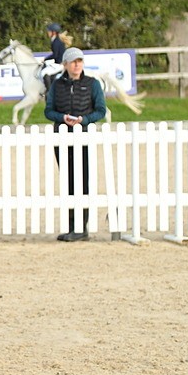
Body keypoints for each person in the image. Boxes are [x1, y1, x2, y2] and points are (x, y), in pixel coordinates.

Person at [44, 48, 106, 242]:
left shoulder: (92, 84)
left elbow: (101, 110)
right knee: (68, 181)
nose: (77, 64)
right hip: (61, 138)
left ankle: (82, 227)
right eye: (73, 61)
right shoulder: (56, 85)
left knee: (83, 180)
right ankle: (72, 226)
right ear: (65, 64)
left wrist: (84, 120)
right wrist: (62, 118)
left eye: (79, 61)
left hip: (83, 137)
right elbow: (48, 111)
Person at [40, 22, 72, 91]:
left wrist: (45, 59)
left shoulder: (56, 42)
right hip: (59, 62)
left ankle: (49, 92)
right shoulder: (56, 40)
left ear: (53, 32)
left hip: (60, 64)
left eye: (49, 31)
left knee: (44, 72)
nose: (48, 33)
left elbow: (55, 55)